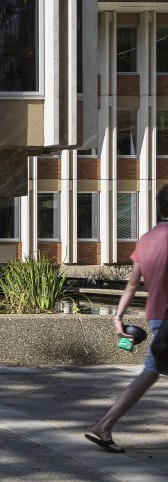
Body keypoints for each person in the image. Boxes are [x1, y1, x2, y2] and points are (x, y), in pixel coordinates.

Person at [86, 185, 168, 452]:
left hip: (157, 318)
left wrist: (118, 316)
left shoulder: (147, 238)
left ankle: (104, 425)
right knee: (149, 373)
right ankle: (103, 425)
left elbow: (132, 284)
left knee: (149, 373)